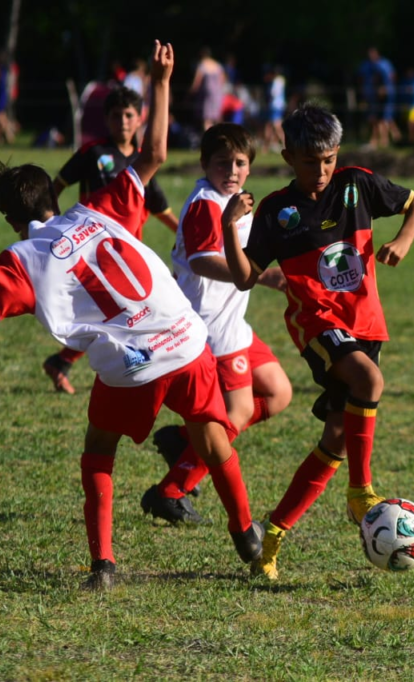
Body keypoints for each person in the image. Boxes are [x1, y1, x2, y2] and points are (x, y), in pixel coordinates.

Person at [0, 41, 263, 591]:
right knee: (213, 439)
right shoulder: (98, 208)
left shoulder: (23, 258)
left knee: (99, 449)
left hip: (133, 362)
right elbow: (155, 153)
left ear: (8, 217)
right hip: (187, 338)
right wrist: (162, 83)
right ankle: (246, 532)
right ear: (53, 192)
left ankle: (103, 565)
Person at [220, 103, 414, 581]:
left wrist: (404, 239)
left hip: (366, 323)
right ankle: (361, 491)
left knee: (335, 439)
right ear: (288, 155)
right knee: (368, 378)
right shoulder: (276, 211)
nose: (321, 171)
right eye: (311, 161)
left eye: (329, 159)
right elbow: (244, 277)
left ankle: (270, 540)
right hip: (317, 324)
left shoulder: (356, 183)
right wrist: (228, 227)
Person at [140, 122, 293, 524]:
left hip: (232, 322)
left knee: (277, 393)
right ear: (205, 163)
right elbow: (201, 260)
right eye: (222, 162)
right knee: (239, 410)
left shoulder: (236, 201)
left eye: (240, 162)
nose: (232, 169)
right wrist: (261, 275)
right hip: (209, 327)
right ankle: (170, 491)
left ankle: (191, 441)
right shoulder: (208, 203)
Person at [42, 85, 180, 395]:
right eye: (116, 115)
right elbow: (57, 185)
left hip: (129, 256)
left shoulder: (144, 164)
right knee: (122, 313)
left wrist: (186, 237)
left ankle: (66, 362)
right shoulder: (93, 153)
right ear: (106, 119)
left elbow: (161, 210)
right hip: (94, 252)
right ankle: (134, 367)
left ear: (140, 119)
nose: (123, 121)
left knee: (119, 314)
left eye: (129, 115)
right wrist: (53, 222)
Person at [189, 46, 225, 132]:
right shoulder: (217, 65)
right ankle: (220, 135)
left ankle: (209, 137)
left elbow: (197, 81)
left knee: (207, 118)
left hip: (206, 94)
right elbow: (222, 79)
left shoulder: (202, 65)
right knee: (217, 116)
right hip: (217, 93)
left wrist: (191, 92)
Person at [261, 64, 286, 153]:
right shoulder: (280, 81)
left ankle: (284, 144)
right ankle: (266, 147)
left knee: (276, 126)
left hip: (275, 106)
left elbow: (273, 94)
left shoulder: (277, 82)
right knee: (269, 126)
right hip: (277, 106)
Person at [399, 67, 414, 145]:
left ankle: (413, 139)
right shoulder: (404, 81)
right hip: (406, 105)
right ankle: (410, 139)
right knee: (407, 123)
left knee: (411, 122)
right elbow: (402, 92)